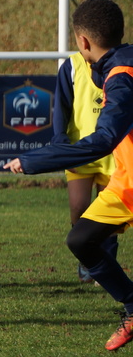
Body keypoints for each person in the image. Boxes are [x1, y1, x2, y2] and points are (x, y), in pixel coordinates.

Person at [5, 0, 133, 351]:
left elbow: (104, 140)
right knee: (81, 239)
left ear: (83, 41)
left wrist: (35, 160)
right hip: (126, 180)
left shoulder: (122, 76)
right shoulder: (117, 65)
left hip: (123, 175)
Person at [51, 51, 116, 282]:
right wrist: (60, 139)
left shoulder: (122, 63)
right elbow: (61, 106)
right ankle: (87, 258)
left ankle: (106, 265)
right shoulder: (72, 65)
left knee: (108, 213)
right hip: (80, 151)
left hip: (114, 150)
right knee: (78, 207)